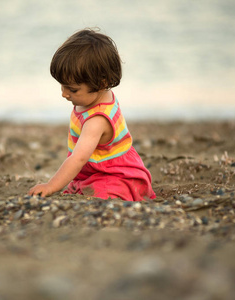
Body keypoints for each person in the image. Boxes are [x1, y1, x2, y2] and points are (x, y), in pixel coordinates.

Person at [28, 28, 156, 201]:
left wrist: (51, 186)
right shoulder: (94, 96)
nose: (64, 94)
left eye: (72, 89)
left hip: (116, 176)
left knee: (98, 195)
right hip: (94, 170)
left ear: (101, 82)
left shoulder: (97, 120)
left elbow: (79, 158)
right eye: (62, 86)